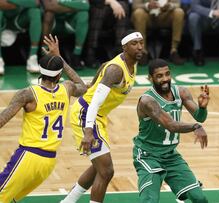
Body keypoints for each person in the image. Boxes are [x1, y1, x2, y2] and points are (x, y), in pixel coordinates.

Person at [0, 34, 87, 203]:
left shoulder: (28, 94)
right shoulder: (67, 88)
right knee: (10, 199)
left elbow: (2, 120)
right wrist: (59, 57)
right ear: (59, 73)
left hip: (28, 156)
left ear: (40, 70)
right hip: (48, 163)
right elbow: (82, 86)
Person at [60, 30, 144, 203]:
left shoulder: (131, 62)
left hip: (97, 116)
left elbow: (94, 79)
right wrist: (88, 132)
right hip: (86, 115)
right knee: (106, 171)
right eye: (134, 44)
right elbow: (94, 103)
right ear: (124, 47)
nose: (140, 47)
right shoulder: (115, 70)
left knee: (99, 166)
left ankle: (67, 202)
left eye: (141, 43)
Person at [133, 58, 209, 203]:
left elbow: (200, 117)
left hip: (170, 156)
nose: (165, 79)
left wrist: (203, 107)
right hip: (148, 155)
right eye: (159, 76)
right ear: (150, 78)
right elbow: (171, 125)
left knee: (199, 198)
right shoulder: (147, 101)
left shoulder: (181, 92)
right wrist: (195, 126)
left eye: (167, 74)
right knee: (150, 201)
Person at [131, 0, 185, 65]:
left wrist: (169, 6)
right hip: (147, 15)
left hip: (166, 15)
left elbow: (177, 4)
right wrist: (147, 5)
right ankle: (143, 52)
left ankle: (174, 50)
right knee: (138, 13)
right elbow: (135, 5)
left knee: (179, 12)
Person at [41, 0, 89, 69]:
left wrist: (61, 3)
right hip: (54, 22)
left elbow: (86, 5)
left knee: (84, 13)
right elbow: (49, 6)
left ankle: (76, 56)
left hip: (70, 22)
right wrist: (76, 6)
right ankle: (44, 52)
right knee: (48, 14)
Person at [0, 0, 42, 75]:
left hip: (19, 20)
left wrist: (10, 2)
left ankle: (32, 57)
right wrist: (23, 3)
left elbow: (35, 3)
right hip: (3, 19)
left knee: (35, 11)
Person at [85, 0, 131, 68]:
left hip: (114, 13)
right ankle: (90, 53)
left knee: (123, 6)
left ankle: (120, 51)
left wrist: (115, 3)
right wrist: (111, 2)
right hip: (95, 9)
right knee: (99, 10)